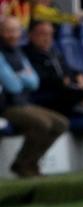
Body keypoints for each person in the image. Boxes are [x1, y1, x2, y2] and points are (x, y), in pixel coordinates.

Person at [0, 15, 66, 177]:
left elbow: (34, 82)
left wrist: (18, 76)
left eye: (16, 30)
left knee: (60, 123)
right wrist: (22, 76)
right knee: (42, 124)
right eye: (8, 31)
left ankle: (32, 162)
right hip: (7, 106)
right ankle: (22, 164)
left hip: (23, 102)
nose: (13, 34)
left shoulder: (18, 52)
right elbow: (13, 86)